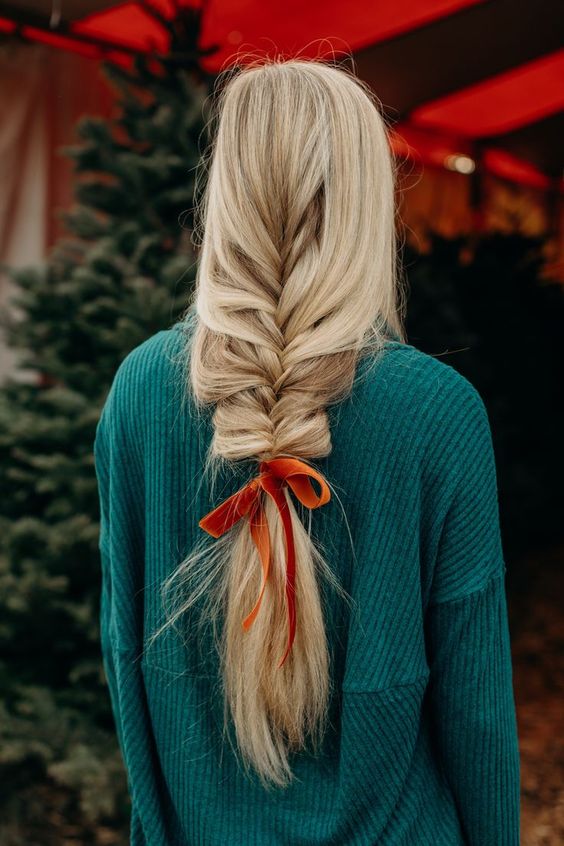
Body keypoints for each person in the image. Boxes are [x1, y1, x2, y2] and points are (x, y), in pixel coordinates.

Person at [94, 57, 521, 846]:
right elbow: (477, 708)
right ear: (366, 201)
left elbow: (127, 656)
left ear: (225, 192)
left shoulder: (141, 391)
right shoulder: (437, 412)